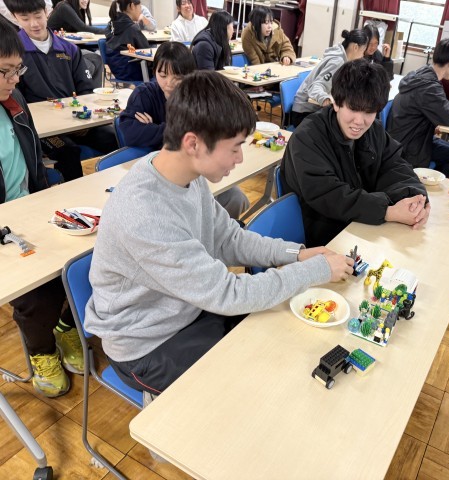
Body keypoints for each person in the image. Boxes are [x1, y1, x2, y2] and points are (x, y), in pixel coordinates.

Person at [85, 70, 354, 398]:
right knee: (246, 389)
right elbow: (228, 294)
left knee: (274, 342)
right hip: (147, 346)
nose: (240, 158)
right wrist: (316, 270)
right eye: (235, 147)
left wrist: (296, 254)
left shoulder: (187, 175)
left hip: (188, 310)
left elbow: (229, 238)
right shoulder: (145, 214)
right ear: (193, 143)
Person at [0, 16, 83, 398]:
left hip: (30, 210)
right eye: (5, 71)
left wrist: (47, 203)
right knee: (37, 292)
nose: (14, 80)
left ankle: (66, 327)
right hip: (5, 228)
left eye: (18, 70)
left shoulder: (14, 103)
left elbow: (33, 165)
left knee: (86, 262)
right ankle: (42, 352)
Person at [281, 59, 429, 247]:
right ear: (336, 103)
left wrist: (417, 199)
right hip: (324, 237)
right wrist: (388, 212)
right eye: (353, 109)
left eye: (369, 112)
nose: (359, 121)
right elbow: (329, 195)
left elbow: (395, 165)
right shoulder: (308, 137)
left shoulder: (373, 130)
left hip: (362, 226)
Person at [119, 42, 249, 218]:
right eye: (162, 75)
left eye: (177, 77)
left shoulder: (195, 98)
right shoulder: (144, 95)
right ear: (154, 71)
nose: (169, 83)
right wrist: (176, 131)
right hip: (161, 172)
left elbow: (205, 133)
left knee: (237, 198)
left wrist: (153, 129)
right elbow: (130, 133)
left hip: (195, 169)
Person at [6, 0, 118, 180]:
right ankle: (73, 195)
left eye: (38, 16)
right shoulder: (13, 54)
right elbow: (15, 98)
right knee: (68, 152)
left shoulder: (69, 49)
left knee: (115, 137)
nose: (34, 24)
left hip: (75, 120)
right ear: (14, 18)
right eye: (25, 18)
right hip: (43, 129)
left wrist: (81, 118)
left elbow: (86, 90)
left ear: (47, 12)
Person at [387, 38, 449, 177]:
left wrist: (448, 109)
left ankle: (431, 181)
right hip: (408, 147)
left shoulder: (421, 74)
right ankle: (430, 184)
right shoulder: (429, 87)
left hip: (404, 137)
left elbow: (439, 109)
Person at [290, 28, 370, 128]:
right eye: (363, 51)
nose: (362, 56)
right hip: (303, 113)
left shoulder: (344, 61)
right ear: (355, 47)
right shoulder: (338, 62)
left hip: (313, 109)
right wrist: (325, 98)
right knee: (343, 126)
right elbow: (316, 86)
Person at [105, 0, 150, 82]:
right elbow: (147, 52)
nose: (141, 10)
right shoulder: (132, 28)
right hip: (132, 72)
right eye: (140, 7)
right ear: (132, 6)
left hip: (117, 71)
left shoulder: (111, 24)